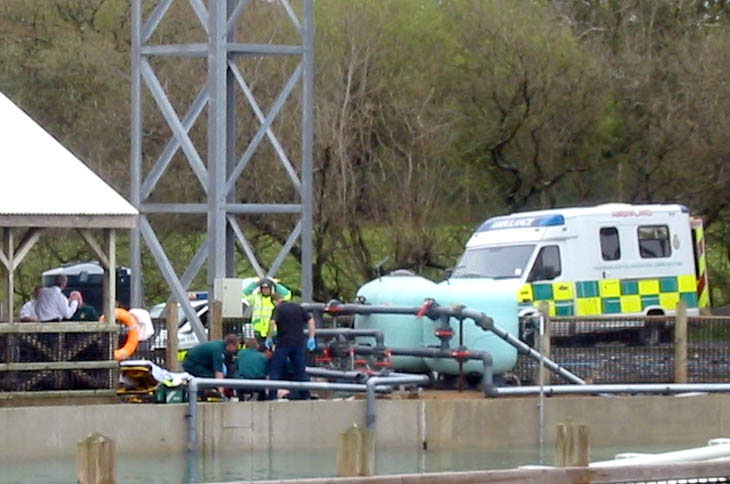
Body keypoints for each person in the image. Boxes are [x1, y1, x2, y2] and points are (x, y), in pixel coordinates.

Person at [265, 293, 316, 400]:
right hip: (299, 343)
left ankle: (272, 395)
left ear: (275, 301)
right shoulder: (299, 307)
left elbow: (272, 323)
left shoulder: (278, 309)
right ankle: (305, 395)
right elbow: (311, 320)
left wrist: (269, 337)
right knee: (300, 370)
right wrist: (311, 337)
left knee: (276, 369)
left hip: (283, 343)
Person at [243, 277, 292, 343]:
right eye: (263, 288)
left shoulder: (275, 299)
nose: (265, 290)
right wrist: (255, 284)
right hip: (258, 331)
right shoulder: (256, 298)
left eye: (267, 288)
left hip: (272, 332)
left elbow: (287, 294)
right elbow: (244, 294)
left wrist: (276, 284)